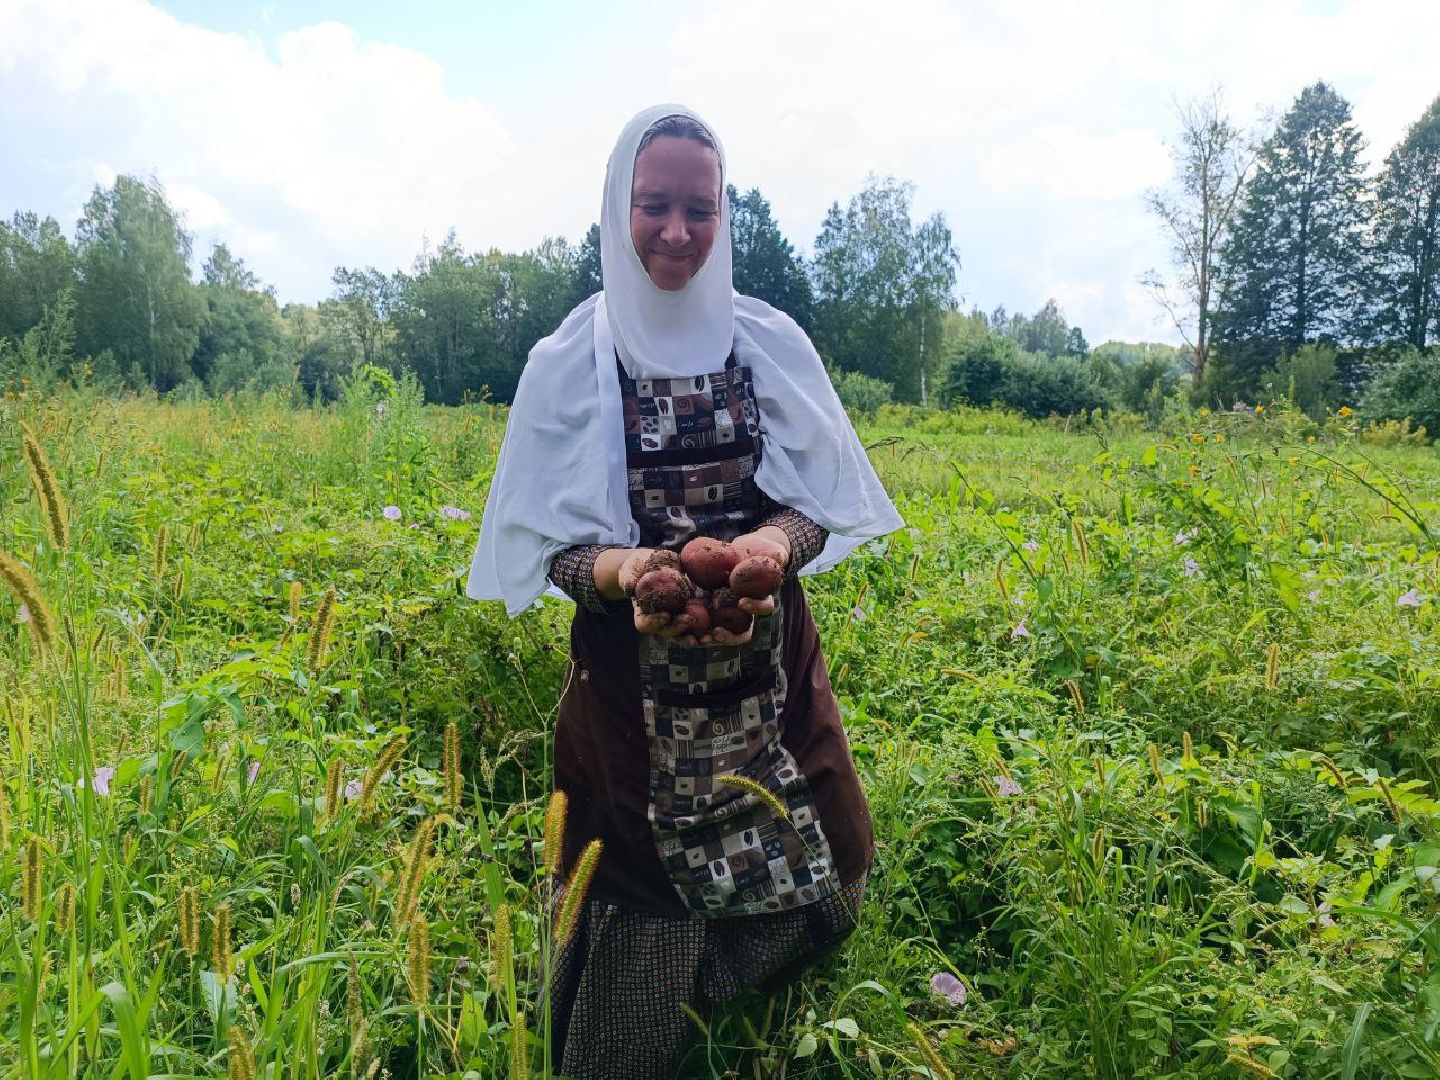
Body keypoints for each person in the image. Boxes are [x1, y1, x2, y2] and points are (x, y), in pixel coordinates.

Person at [467, 103, 903, 1079]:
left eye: (698, 209)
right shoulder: (567, 365)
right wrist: (628, 574)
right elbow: (554, 555)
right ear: (616, 208)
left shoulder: (768, 344)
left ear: (725, 216)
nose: (676, 231)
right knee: (641, 912)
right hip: (635, 700)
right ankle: (633, 1025)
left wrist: (766, 549)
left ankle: (713, 995)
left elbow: (814, 507)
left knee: (832, 874)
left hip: (765, 681)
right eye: (654, 205)